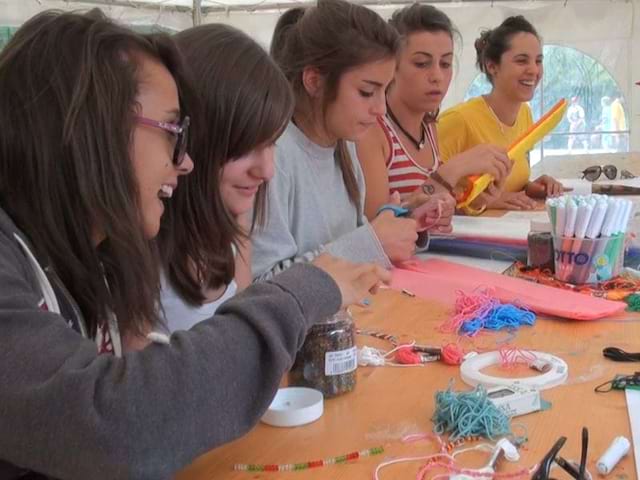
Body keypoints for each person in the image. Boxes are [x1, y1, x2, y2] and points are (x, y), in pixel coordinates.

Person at [0, 10, 387, 479]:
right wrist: (298, 294)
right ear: (89, 129)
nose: (185, 163)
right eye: (172, 133)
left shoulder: (86, 261)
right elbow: (113, 422)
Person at [252, 0, 448, 281]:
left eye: (385, 90)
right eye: (367, 92)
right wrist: (372, 243)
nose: (380, 108)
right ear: (314, 81)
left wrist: (403, 224)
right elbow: (260, 287)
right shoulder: (274, 158)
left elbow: (351, 240)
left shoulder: (344, 146)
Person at [156, 23, 294, 333]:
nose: (267, 170)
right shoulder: (138, 254)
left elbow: (239, 338)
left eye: (272, 143)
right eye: (245, 147)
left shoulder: (232, 220)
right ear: (190, 138)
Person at [356, 3, 510, 220]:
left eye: (445, 63)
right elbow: (378, 229)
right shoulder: (373, 130)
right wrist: (452, 170)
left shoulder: (429, 126)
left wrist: (470, 199)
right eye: (421, 64)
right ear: (392, 66)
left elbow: (430, 209)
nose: (437, 76)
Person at [437, 15, 564, 210]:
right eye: (522, 61)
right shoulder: (459, 120)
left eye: (538, 61)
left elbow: (508, 183)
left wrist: (530, 187)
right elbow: (426, 193)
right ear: (492, 66)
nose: (533, 70)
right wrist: (483, 202)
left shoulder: (524, 113)